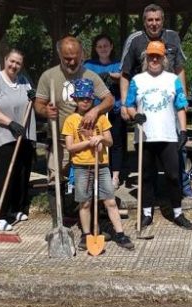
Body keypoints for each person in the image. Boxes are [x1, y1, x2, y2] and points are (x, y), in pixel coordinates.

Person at [119, 3, 192, 200]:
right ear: (144, 22)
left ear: (162, 21)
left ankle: (183, 183)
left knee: (177, 144)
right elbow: (125, 73)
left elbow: (179, 68)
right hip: (145, 103)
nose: (154, 24)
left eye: (157, 20)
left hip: (169, 99)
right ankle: (149, 193)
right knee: (147, 150)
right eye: (150, 20)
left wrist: (183, 98)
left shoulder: (172, 37)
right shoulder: (135, 40)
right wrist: (124, 103)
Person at [34, 36, 114, 226]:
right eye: (66, 58)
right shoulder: (49, 76)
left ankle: (89, 222)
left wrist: (95, 110)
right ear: (60, 55)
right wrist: (46, 110)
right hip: (61, 140)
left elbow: (109, 100)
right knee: (56, 178)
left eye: (74, 57)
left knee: (88, 179)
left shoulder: (90, 76)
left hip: (87, 142)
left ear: (82, 55)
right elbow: (38, 104)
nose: (71, 62)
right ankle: (58, 223)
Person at [124, 41, 192, 230]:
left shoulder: (172, 79)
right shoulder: (138, 80)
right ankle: (146, 213)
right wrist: (134, 115)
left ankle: (178, 213)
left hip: (168, 136)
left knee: (173, 175)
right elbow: (129, 105)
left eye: (158, 56)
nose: (154, 59)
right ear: (146, 58)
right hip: (145, 136)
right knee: (146, 177)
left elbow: (180, 106)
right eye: (151, 56)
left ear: (164, 59)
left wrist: (184, 130)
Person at [62, 78, 134, 251]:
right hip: (81, 167)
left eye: (88, 98)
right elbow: (70, 147)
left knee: (109, 201)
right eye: (81, 98)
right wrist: (88, 143)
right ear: (75, 99)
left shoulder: (101, 119)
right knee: (85, 203)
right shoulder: (71, 120)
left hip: (101, 166)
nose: (85, 101)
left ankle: (120, 234)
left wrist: (101, 137)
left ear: (92, 99)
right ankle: (86, 235)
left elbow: (110, 141)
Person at [0, 49, 36, 231]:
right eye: (12, 61)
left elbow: (31, 99)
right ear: (5, 60)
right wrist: (10, 123)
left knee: (21, 173)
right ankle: (0, 215)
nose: (14, 66)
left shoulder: (23, 81)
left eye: (18, 63)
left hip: (22, 134)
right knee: (5, 174)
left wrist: (33, 97)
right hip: (3, 133)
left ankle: (15, 209)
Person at [85, 34, 125, 190]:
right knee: (96, 141)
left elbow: (125, 78)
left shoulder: (118, 65)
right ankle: (98, 172)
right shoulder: (88, 65)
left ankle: (115, 176)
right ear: (95, 49)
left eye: (106, 46)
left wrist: (113, 77)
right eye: (100, 46)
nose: (103, 49)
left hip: (114, 109)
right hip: (95, 110)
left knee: (115, 142)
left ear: (111, 47)